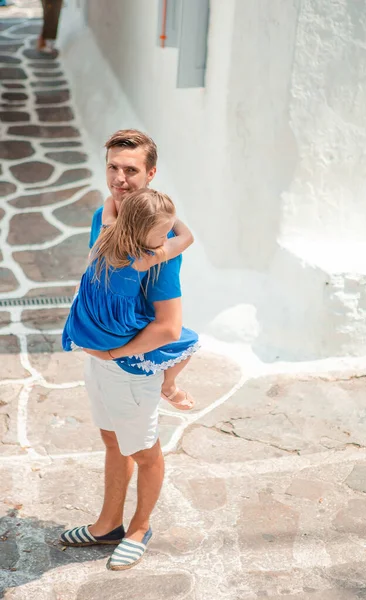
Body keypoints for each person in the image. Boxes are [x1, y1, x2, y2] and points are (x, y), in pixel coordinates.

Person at [59, 130, 199, 571]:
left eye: (131, 170)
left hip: (129, 367)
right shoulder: (107, 215)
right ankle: (107, 525)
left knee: (143, 451)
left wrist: (117, 356)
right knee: (111, 440)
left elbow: (169, 326)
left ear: (151, 174)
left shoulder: (156, 250)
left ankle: (139, 528)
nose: (119, 179)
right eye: (113, 168)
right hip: (100, 360)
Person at [62, 187, 198, 409]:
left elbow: (109, 202)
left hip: (83, 323)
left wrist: (145, 212)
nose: (165, 239)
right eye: (162, 234)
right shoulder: (144, 257)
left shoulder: (107, 230)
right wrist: (172, 220)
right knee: (188, 342)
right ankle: (169, 387)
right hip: (112, 335)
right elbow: (187, 237)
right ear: (143, 233)